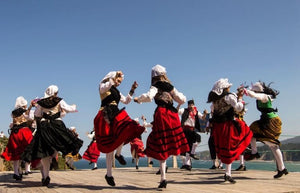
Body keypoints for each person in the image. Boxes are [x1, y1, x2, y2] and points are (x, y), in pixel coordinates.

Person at [134, 64, 189, 189]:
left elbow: (149, 96)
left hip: (161, 114)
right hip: (172, 115)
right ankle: (170, 172)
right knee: (171, 139)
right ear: (163, 74)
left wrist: (138, 99)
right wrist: (178, 101)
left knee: (160, 142)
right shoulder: (170, 87)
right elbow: (181, 100)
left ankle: (163, 177)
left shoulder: (155, 86)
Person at [21, 85, 83, 186]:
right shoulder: (59, 100)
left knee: (44, 152)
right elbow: (69, 109)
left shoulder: (41, 102)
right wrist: (74, 106)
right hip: (57, 126)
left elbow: (36, 114)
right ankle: (56, 155)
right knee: (64, 142)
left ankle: (46, 176)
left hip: (44, 127)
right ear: (55, 93)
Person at [94, 71, 145, 186]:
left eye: (120, 82)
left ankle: (118, 154)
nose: (118, 84)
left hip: (116, 114)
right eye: (118, 81)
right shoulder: (103, 85)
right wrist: (114, 78)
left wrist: (132, 90)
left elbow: (126, 101)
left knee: (125, 130)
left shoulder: (116, 91)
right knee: (110, 146)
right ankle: (109, 174)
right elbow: (104, 88)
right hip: (105, 115)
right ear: (112, 78)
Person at [207, 78, 252, 183]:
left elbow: (214, 111)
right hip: (227, 125)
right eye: (228, 86)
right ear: (225, 87)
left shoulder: (215, 101)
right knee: (245, 133)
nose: (229, 87)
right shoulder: (229, 96)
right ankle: (229, 172)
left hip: (218, 127)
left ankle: (228, 173)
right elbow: (238, 108)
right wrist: (240, 98)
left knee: (224, 149)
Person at [244, 81, 288, 178]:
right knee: (252, 132)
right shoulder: (264, 96)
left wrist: (246, 91)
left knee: (273, 146)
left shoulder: (264, 97)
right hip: (265, 120)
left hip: (271, 122)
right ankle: (281, 168)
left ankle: (281, 168)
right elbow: (255, 95)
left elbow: (255, 95)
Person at [1, 96, 34, 180]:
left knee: (16, 153)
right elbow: (28, 117)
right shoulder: (25, 111)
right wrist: (30, 106)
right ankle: (23, 168)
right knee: (28, 149)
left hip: (15, 133)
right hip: (24, 132)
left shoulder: (13, 112)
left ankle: (16, 172)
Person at [177, 99, 207, 171]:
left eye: (192, 105)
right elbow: (176, 111)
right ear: (188, 106)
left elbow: (202, 117)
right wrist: (179, 104)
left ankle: (191, 155)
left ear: (194, 105)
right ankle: (188, 163)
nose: (191, 106)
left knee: (197, 140)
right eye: (189, 105)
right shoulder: (184, 110)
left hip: (192, 129)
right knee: (187, 146)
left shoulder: (196, 112)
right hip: (185, 130)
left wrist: (205, 113)